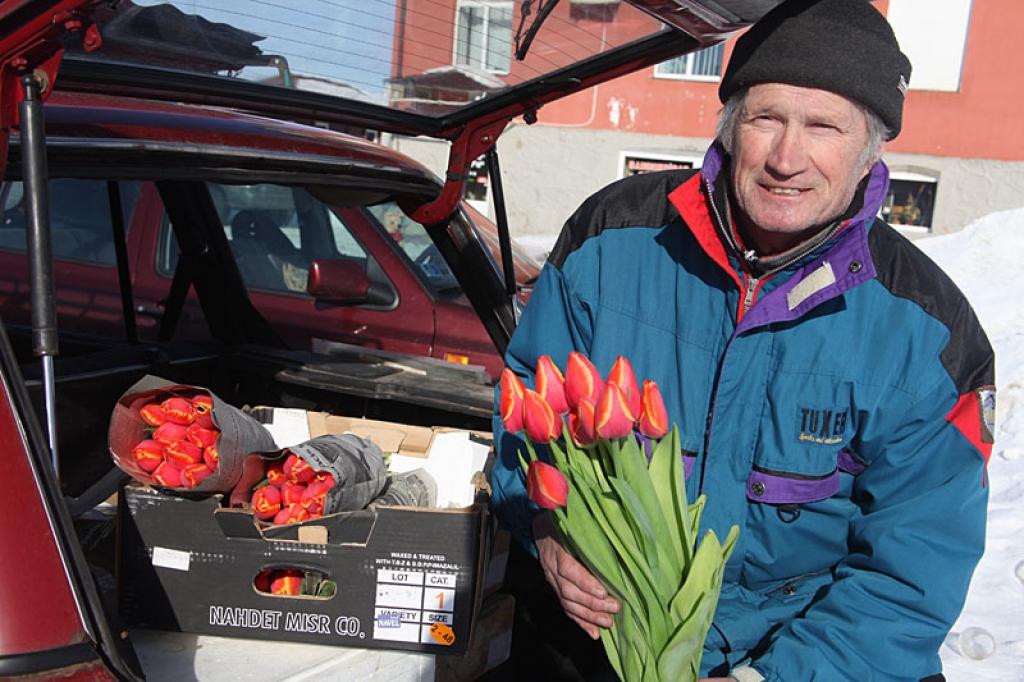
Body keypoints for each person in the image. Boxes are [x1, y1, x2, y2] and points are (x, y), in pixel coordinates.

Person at [490, 1, 994, 680]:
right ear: (729, 125)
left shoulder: (928, 336)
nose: (787, 158)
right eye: (766, 119)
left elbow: (912, 574)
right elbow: (528, 412)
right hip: (609, 637)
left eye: (823, 127)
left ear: (871, 149)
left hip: (808, 655)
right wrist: (546, 526)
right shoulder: (609, 242)